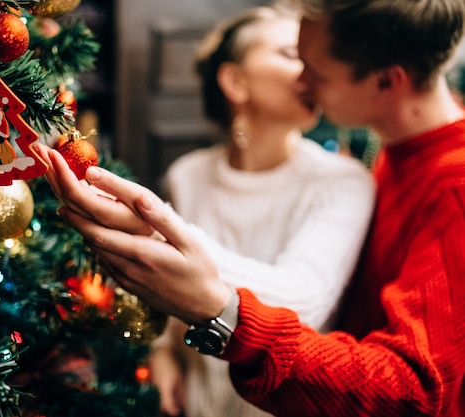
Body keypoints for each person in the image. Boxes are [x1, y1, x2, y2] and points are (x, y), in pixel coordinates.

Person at [37, 0, 465, 414]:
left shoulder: (450, 185)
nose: (304, 80)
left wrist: (172, 254)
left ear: (387, 82)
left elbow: (416, 390)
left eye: (314, 70)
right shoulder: (392, 157)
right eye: (291, 57)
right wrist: (167, 348)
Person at [150, 5, 374, 417]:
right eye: (292, 56)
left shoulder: (343, 182)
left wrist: (168, 241)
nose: (313, 73)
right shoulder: (188, 176)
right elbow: (174, 303)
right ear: (235, 81)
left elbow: (301, 306)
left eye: (313, 60)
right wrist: (161, 352)